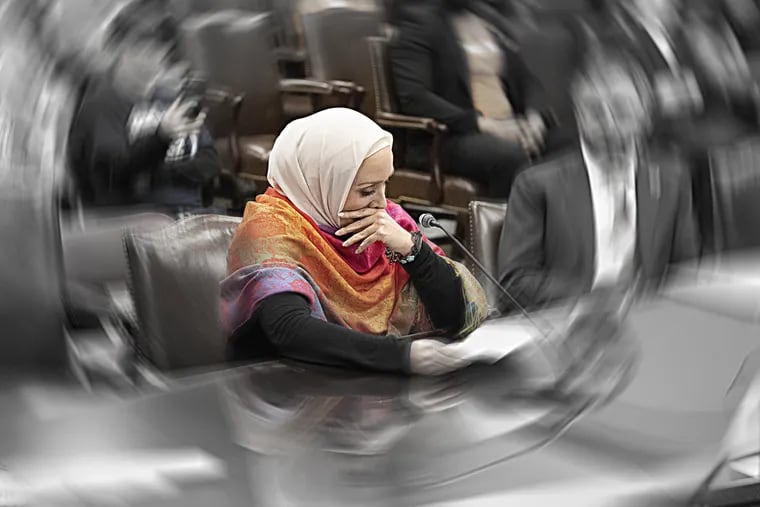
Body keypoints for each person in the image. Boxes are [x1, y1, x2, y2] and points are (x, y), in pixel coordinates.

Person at [221, 108, 488, 375]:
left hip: (373, 387)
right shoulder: (271, 229)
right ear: (323, 183)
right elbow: (289, 329)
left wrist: (411, 249)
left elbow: (454, 316)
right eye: (367, 190)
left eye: (385, 184)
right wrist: (400, 356)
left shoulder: (385, 222)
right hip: (293, 390)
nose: (382, 202)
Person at [497, 49, 699, 311]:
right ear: (579, 116)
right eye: (595, 112)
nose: (610, 124)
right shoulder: (536, 184)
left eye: (621, 111)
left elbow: (688, 272)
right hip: (569, 324)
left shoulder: (671, 180)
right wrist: (596, 295)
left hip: (653, 322)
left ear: (644, 116)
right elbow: (514, 283)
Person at [389, 0, 557, 199]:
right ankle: (508, 229)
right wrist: (485, 125)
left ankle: (555, 227)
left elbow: (526, 79)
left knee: (567, 148)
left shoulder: (489, 20)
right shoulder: (418, 22)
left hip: (509, 126)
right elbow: (415, 98)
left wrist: (534, 116)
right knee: (508, 156)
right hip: (447, 137)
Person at [67, 34, 222, 214]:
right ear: (120, 52)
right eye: (146, 50)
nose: (156, 60)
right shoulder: (101, 106)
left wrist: (158, 172)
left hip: (190, 214)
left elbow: (211, 163)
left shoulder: (171, 103)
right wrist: (162, 137)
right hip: (137, 220)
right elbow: (112, 173)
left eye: (162, 52)